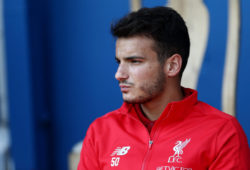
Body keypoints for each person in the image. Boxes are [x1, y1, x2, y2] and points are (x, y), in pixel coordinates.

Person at [78, 6, 250, 170]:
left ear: (172, 66)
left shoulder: (223, 132)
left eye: (134, 61)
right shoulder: (101, 131)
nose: (119, 74)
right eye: (119, 62)